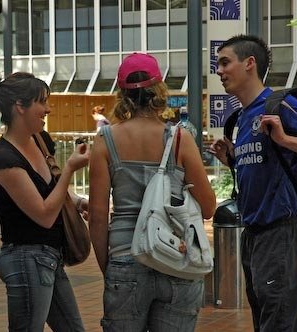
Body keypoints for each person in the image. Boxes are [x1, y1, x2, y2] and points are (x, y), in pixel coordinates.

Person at [88, 52, 216, 331]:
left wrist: (111, 268)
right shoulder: (180, 139)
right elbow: (208, 208)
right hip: (176, 258)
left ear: (122, 94)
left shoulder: (104, 141)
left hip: (126, 256)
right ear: (159, 90)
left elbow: (97, 218)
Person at [208, 35, 297, 331]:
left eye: (225, 62)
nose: (219, 71)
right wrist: (233, 161)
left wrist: (287, 139)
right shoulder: (241, 118)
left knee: (279, 321)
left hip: (278, 231)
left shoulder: (280, 104)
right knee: (265, 320)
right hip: (253, 235)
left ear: (249, 64)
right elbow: (267, 163)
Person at [0, 72, 89, 332]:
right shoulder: (4, 159)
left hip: (49, 257)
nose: (48, 109)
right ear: (20, 106)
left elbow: (49, 188)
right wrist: (72, 168)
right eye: (42, 102)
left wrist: (77, 201)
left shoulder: (41, 140)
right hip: (25, 259)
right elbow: (44, 214)